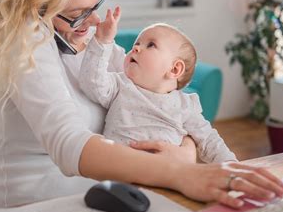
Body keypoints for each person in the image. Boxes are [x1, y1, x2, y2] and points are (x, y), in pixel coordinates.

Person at [0, 0, 283, 210]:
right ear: (33, 6)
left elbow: (157, 103)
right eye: (77, 13)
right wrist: (180, 172)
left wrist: (185, 153)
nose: (95, 21)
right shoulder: (20, 40)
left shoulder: (88, 43)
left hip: (111, 198)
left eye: (95, 4)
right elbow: (70, 144)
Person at [80, 19, 237, 163]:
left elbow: (208, 140)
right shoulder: (120, 85)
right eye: (137, 43)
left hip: (167, 177)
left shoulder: (185, 106)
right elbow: (92, 82)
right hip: (119, 173)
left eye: (151, 45)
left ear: (174, 69)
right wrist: (102, 43)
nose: (135, 47)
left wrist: (230, 165)